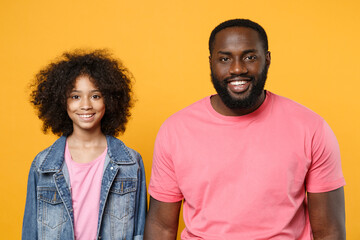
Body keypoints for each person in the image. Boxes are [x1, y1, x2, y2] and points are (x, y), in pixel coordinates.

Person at [144, 19, 346, 239]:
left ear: (267, 60)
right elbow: (161, 227)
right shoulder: (175, 131)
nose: (237, 68)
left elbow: (329, 231)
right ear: (211, 62)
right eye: (224, 59)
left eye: (250, 57)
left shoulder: (312, 128)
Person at [22, 50, 147, 240]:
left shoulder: (130, 163)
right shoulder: (42, 165)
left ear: (110, 100)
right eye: (75, 96)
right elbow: (30, 233)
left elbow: (140, 231)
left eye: (95, 96)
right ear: (61, 101)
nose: (86, 105)